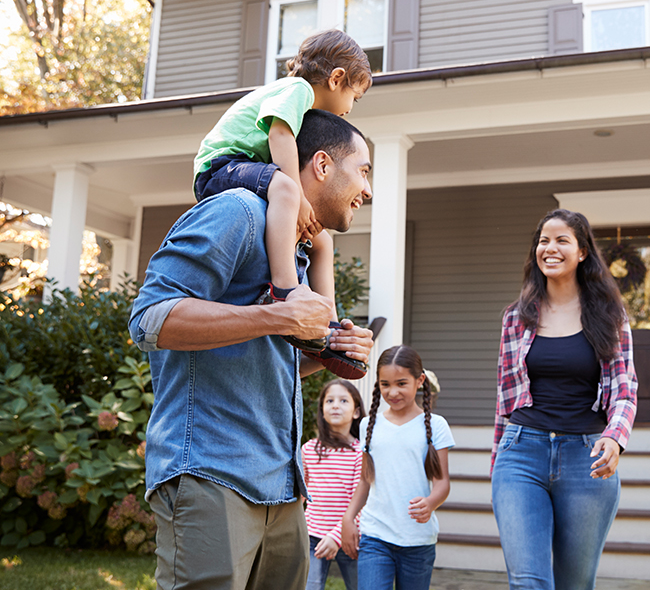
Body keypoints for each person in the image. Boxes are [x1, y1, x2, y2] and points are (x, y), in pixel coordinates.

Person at [128, 109, 374, 590]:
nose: (367, 190)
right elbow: (149, 319)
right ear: (322, 165)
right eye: (363, 171)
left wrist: (325, 352)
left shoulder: (298, 251)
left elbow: (267, 354)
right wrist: (276, 316)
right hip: (212, 473)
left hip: (282, 487)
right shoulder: (237, 211)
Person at [193, 29, 371, 377]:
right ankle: (286, 290)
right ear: (336, 79)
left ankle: (330, 329)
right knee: (285, 189)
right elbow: (279, 135)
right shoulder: (297, 90)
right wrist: (297, 194)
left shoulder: (301, 104)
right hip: (221, 164)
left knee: (322, 239)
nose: (350, 108)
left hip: (243, 167)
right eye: (355, 96)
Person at [491, 208, 638, 590]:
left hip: (585, 459)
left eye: (561, 240)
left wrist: (615, 438)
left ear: (582, 251)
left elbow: (624, 389)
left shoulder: (610, 315)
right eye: (543, 240)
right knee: (528, 582)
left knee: (575, 583)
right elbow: (504, 398)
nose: (549, 248)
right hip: (522, 453)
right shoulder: (516, 317)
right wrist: (497, 461)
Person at [341, 345, 455, 590]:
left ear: (419, 380)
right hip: (375, 535)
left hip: (417, 539)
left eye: (401, 383)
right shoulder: (368, 425)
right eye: (385, 384)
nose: (392, 392)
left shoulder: (437, 425)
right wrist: (348, 518)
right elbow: (365, 480)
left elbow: (442, 482)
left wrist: (431, 502)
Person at [301, 379, 366, 590]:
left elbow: (361, 502)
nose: (335, 405)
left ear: (356, 412)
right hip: (312, 535)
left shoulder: (361, 453)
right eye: (329, 400)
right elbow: (302, 493)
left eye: (343, 401)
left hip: (351, 535)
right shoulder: (308, 449)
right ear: (322, 410)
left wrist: (336, 537)